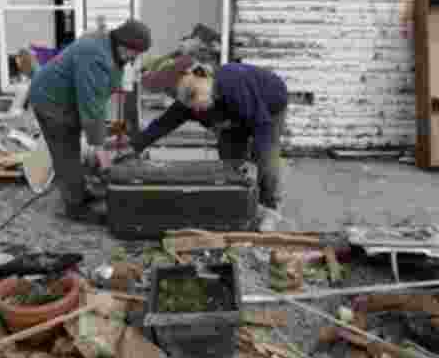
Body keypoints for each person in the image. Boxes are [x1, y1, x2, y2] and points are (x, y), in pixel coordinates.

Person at [28, 18, 152, 224]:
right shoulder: (94, 56)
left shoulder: (110, 49)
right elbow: (92, 106)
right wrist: (101, 151)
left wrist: (99, 136)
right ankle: (75, 207)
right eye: (135, 52)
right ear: (124, 44)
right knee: (65, 151)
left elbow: (98, 98)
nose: (135, 58)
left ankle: (79, 191)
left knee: (74, 147)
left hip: (67, 98)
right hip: (51, 101)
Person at [131, 60, 289, 213]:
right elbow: (162, 125)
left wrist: (257, 165)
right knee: (230, 158)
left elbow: (262, 124)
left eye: (194, 96)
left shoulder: (232, 82)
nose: (195, 107)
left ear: (203, 78)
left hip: (269, 105)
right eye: (189, 103)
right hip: (234, 114)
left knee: (265, 158)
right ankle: (240, 202)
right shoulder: (188, 101)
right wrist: (134, 146)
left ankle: (270, 205)